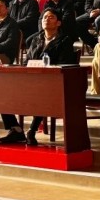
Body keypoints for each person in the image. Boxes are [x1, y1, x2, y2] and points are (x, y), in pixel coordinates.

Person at [22, 8, 77, 146]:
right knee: (5, 92)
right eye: (45, 17)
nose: (46, 19)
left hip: (54, 82)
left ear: (58, 23)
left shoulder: (64, 40)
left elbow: (65, 64)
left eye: (51, 17)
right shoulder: (36, 39)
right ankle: (14, 128)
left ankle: (32, 130)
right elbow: (27, 61)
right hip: (33, 80)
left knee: (42, 93)